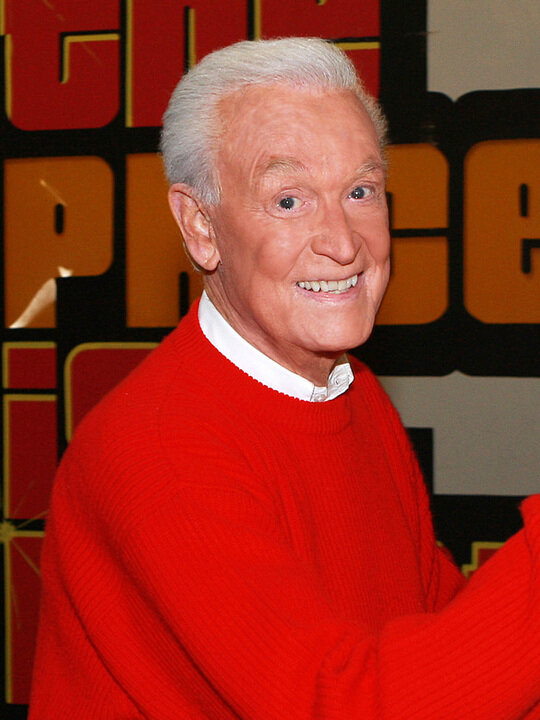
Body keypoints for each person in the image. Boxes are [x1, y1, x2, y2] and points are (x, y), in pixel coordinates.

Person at [29, 37, 540, 719]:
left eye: (360, 191)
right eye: (290, 200)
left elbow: (442, 633)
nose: (344, 243)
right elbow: (340, 703)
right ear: (200, 227)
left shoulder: (348, 387)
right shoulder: (157, 450)